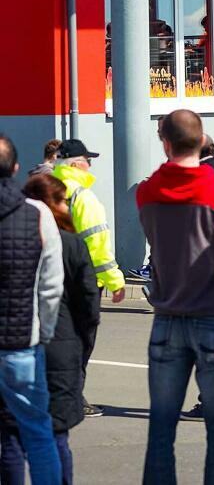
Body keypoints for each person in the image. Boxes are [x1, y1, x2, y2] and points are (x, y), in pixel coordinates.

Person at [138, 110, 214, 485]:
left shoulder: (148, 192)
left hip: (167, 317)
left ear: (165, 143)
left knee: (161, 431)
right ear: (204, 140)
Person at [0, 175, 100, 485]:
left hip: (18, 342)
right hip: (59, 345)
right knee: (55, 432)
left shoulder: (12, 233)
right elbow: (88, 304)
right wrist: (82, 346)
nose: (66, 207)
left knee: (12, 433)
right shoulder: (71, 243)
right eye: (61, 200)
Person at [0, 136, 64, 485]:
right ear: (15, 168)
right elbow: (52, 286)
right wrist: (44, 332)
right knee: (37, 433)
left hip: (20, 341)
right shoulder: (37, 214)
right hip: (22, 342)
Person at [51, 139, 125, 418]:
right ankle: (73, 398)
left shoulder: (44, 190)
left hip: (45, 278)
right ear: (76, 164)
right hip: (79, 282)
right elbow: (97, 245)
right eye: (87, 160)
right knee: (81, 342)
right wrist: (115, 281)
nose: (91, 165)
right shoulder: (83, 197)